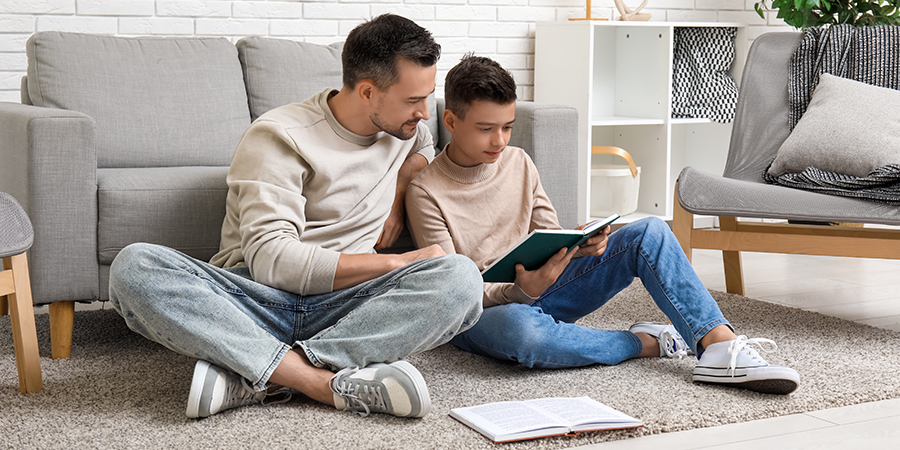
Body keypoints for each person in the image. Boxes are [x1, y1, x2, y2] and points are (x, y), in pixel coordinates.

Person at [108, 14, 483, 420]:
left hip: (345, 303)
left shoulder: (403, 131)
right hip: (255, 298)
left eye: (426, 97)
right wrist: (398, 261)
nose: (424, 113)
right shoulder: (280, 136)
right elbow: (272, 262)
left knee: (461, 278)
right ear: (367, 92)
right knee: (134, 268)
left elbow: (423, 146)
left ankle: (256, 370)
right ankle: (319, 381)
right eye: (413, 101)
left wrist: (400, 188)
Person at [404, 55, 801, 395]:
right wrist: (518, 291)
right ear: (451, 120)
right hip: (484, 313)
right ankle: (647, 342)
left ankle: (717, 345)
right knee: (524, 333)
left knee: (649, 231)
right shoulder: (426, 191)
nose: (500, 141)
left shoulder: (519, 161)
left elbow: (549, 233)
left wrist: (581, 242)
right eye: (486, 129)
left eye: (507, 127)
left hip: (545, 286)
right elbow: (455, 291)